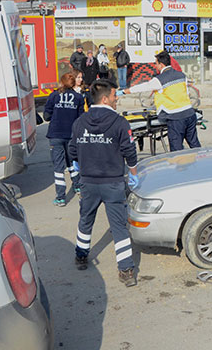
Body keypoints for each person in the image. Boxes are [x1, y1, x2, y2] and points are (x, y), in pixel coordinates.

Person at [68, 79, 138, 287]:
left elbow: (72, 151)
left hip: (88, 182)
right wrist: (134, 174)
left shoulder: (79, 122)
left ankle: (81, 256)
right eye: (115, 96)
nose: (117, 100)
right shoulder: (119, 123)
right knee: (119, 227)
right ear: (105, 98)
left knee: (85, 220)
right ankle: (125, 270)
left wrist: (78, 169)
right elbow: (129, 152)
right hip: (113, 183)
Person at [123, 51, 201, 152]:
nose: (155, 66)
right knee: (195, 145)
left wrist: (125, 91)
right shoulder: (181, 75)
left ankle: (180, 167)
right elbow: (186, 94)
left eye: (156, 63)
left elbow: (144, 87)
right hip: (190, 114)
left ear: (161, 64)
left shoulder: (159, 79)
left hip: (175, 118)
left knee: (177, 150)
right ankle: (201, 164)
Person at [44, 73, 85, 206]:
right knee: (72, 161)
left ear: (61, 82)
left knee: (58, 166)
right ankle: (78, 186)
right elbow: (81, 119)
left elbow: (46, 116)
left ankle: (61, 197)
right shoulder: (79, 97)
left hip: (55, 135)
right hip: (71, 135)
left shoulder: (54, 96)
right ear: (73, 83)